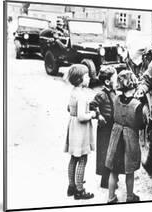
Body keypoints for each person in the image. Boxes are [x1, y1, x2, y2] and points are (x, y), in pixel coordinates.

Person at [105, 70, 146, 203]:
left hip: (116, 138)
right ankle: (129, 196)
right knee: (130, 170)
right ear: (133, 85)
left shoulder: (115, 99)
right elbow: (140, 125)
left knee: (113, 170)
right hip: (129, 140)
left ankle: (110, 197)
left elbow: (113, 116)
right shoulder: (137, 105)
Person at [64, 64, 96, 200]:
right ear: (79, 80)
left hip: (73, 127)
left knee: (73, 158)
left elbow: (68, 108)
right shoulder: (82, 96)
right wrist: (92, 114)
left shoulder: (73, 92)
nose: (89, 78)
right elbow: (82, 116)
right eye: (87, 76)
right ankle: (79, 190)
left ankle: (71, 186)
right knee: (82, 158)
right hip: (81, 130)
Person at [89, 66, 118, 189]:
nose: (117, 82)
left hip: (113, 126)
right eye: (115, 79)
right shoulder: (101, 94)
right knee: (105, 152)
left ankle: (111, 178)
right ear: (107, 82)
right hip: (105, 128)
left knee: (113, 152)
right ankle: (105, 180)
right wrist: (99, 115)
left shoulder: (114, 92)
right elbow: (92, 106)